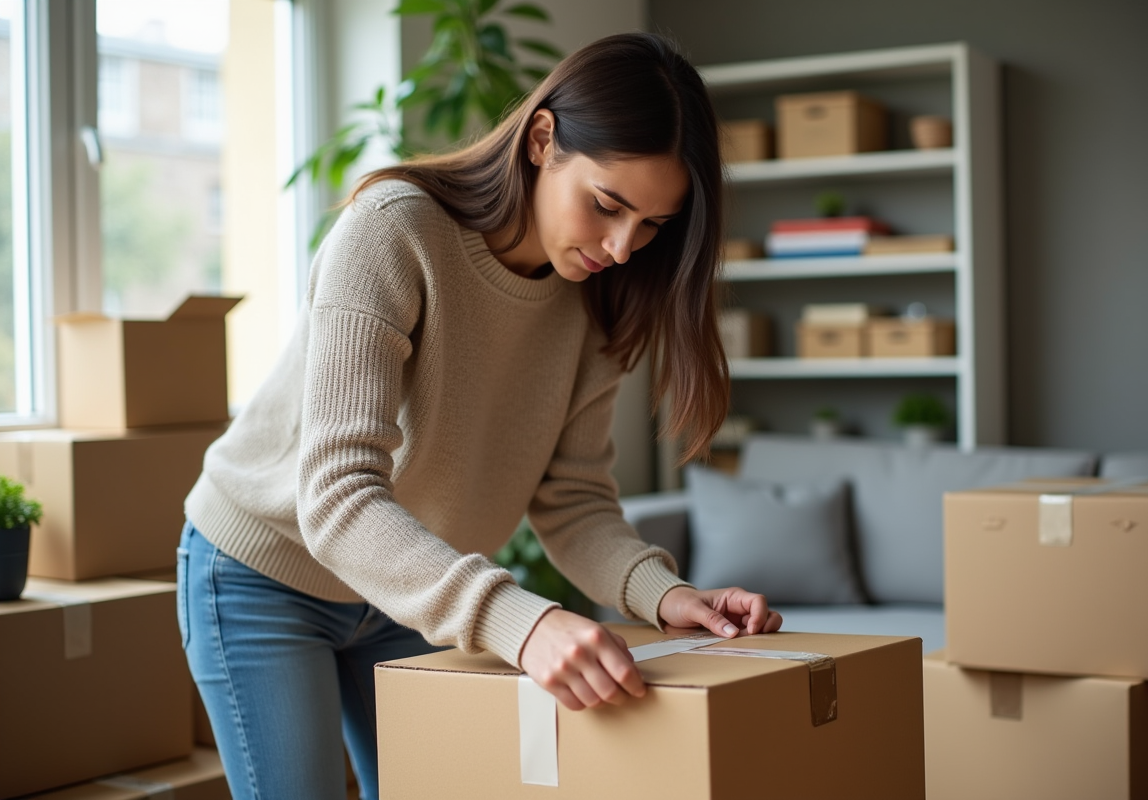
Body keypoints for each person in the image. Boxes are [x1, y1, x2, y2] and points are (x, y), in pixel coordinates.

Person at [176, 31, 782, 800]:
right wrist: (521, 622)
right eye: (607, 205)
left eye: (652, 224)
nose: (624, 246)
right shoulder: (393, 231)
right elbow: (336, 495)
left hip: (410, 586)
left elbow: (573, 498)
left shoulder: (599, 298)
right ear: (542, 139)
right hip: (265, 573)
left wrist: (664, 594)